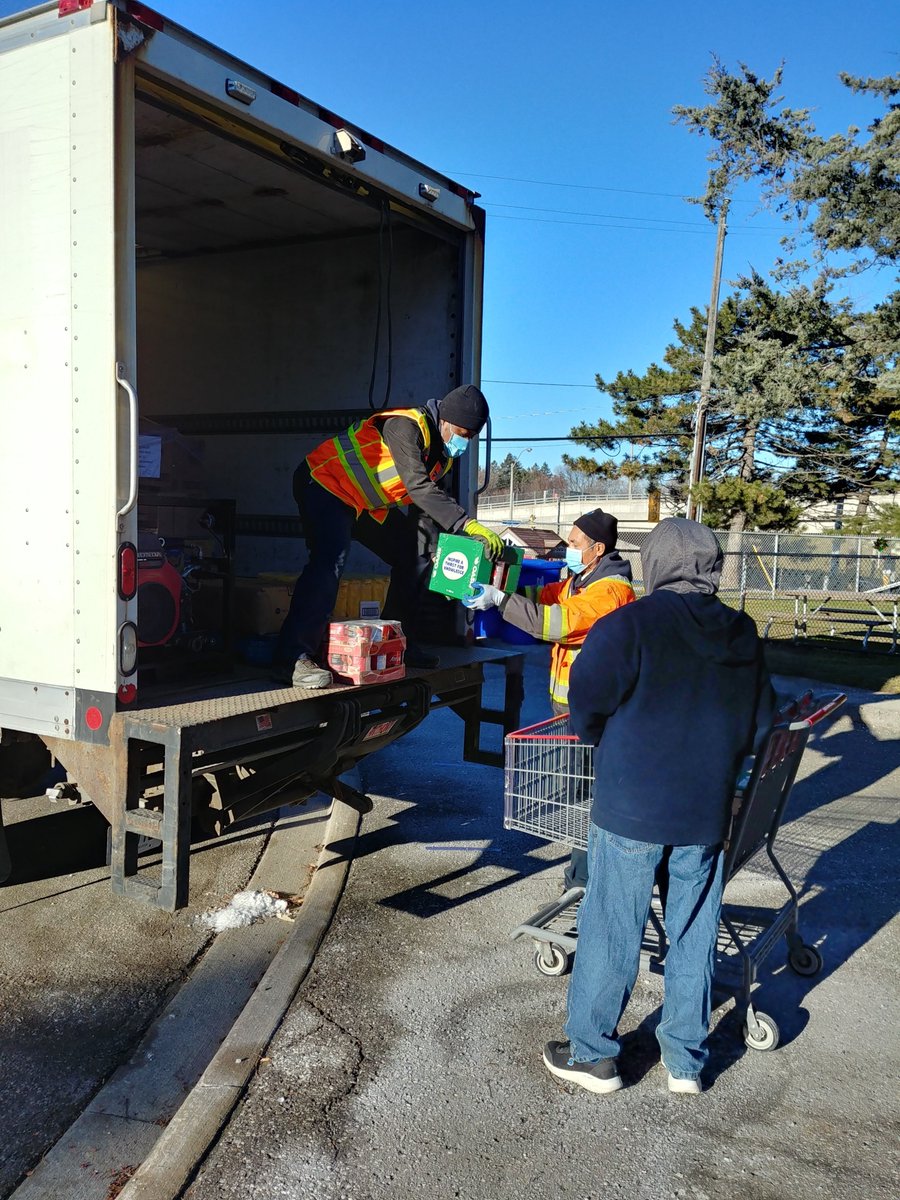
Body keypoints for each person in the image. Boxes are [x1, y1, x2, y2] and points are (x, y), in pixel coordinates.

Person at [542, 517, 776, 1096]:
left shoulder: (630, 624)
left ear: (655, 565)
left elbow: (587, 700)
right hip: (704, 811)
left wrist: (602, 735)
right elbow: (763, 720)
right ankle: (685, 1062)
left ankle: (593, 1054)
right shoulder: (741, 632)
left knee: (612, 924)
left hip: (632, 804)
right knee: (693, 928)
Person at [273, 385, 503, 688]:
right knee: (330, 559)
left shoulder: (441, 456)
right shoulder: (404, 426)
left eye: (471, 437)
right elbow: (417, 486)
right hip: (324, 484)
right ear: (445, 420)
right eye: (463, 432)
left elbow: (423, 508)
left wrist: (436, 551)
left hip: (362, 503)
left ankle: (397, 645)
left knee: (415, 556)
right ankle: (293, 658)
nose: (464, 441)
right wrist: (467, 524)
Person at [464, 508, 635, 886]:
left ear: (597, 548)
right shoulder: (580, 581)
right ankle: (585, 873)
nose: (567, 551)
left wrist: (501, 601)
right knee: (578, 790)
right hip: (573, 706)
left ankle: (584, 879)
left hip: (596, 711)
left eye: (573, 544)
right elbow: (540, 597)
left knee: (588, 795)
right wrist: (494, 591)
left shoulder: (610, 591)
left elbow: (557, 623)